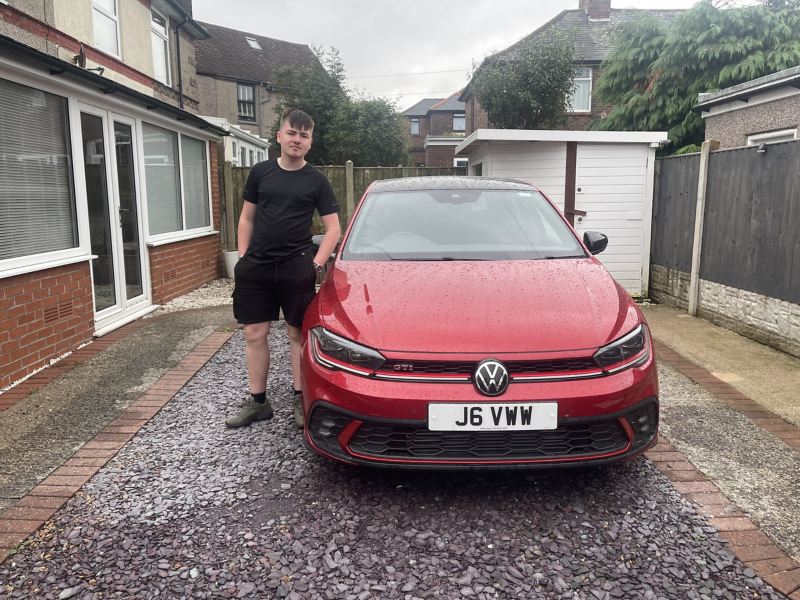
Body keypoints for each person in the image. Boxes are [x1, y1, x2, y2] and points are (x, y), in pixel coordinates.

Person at [225, 108, 340, 429]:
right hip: (256, 269)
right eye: (292, 133)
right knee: (254, 333)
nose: (297, 140)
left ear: (310, 142)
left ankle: (299, 398)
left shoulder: (316, 180)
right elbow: (246, 218)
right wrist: (244, 259)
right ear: (279, 136)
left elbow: (333, 230)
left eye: (304, 135)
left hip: (296, 268)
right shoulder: (261, 173)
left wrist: (315, 264)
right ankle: (258, 402)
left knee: (296, 334)